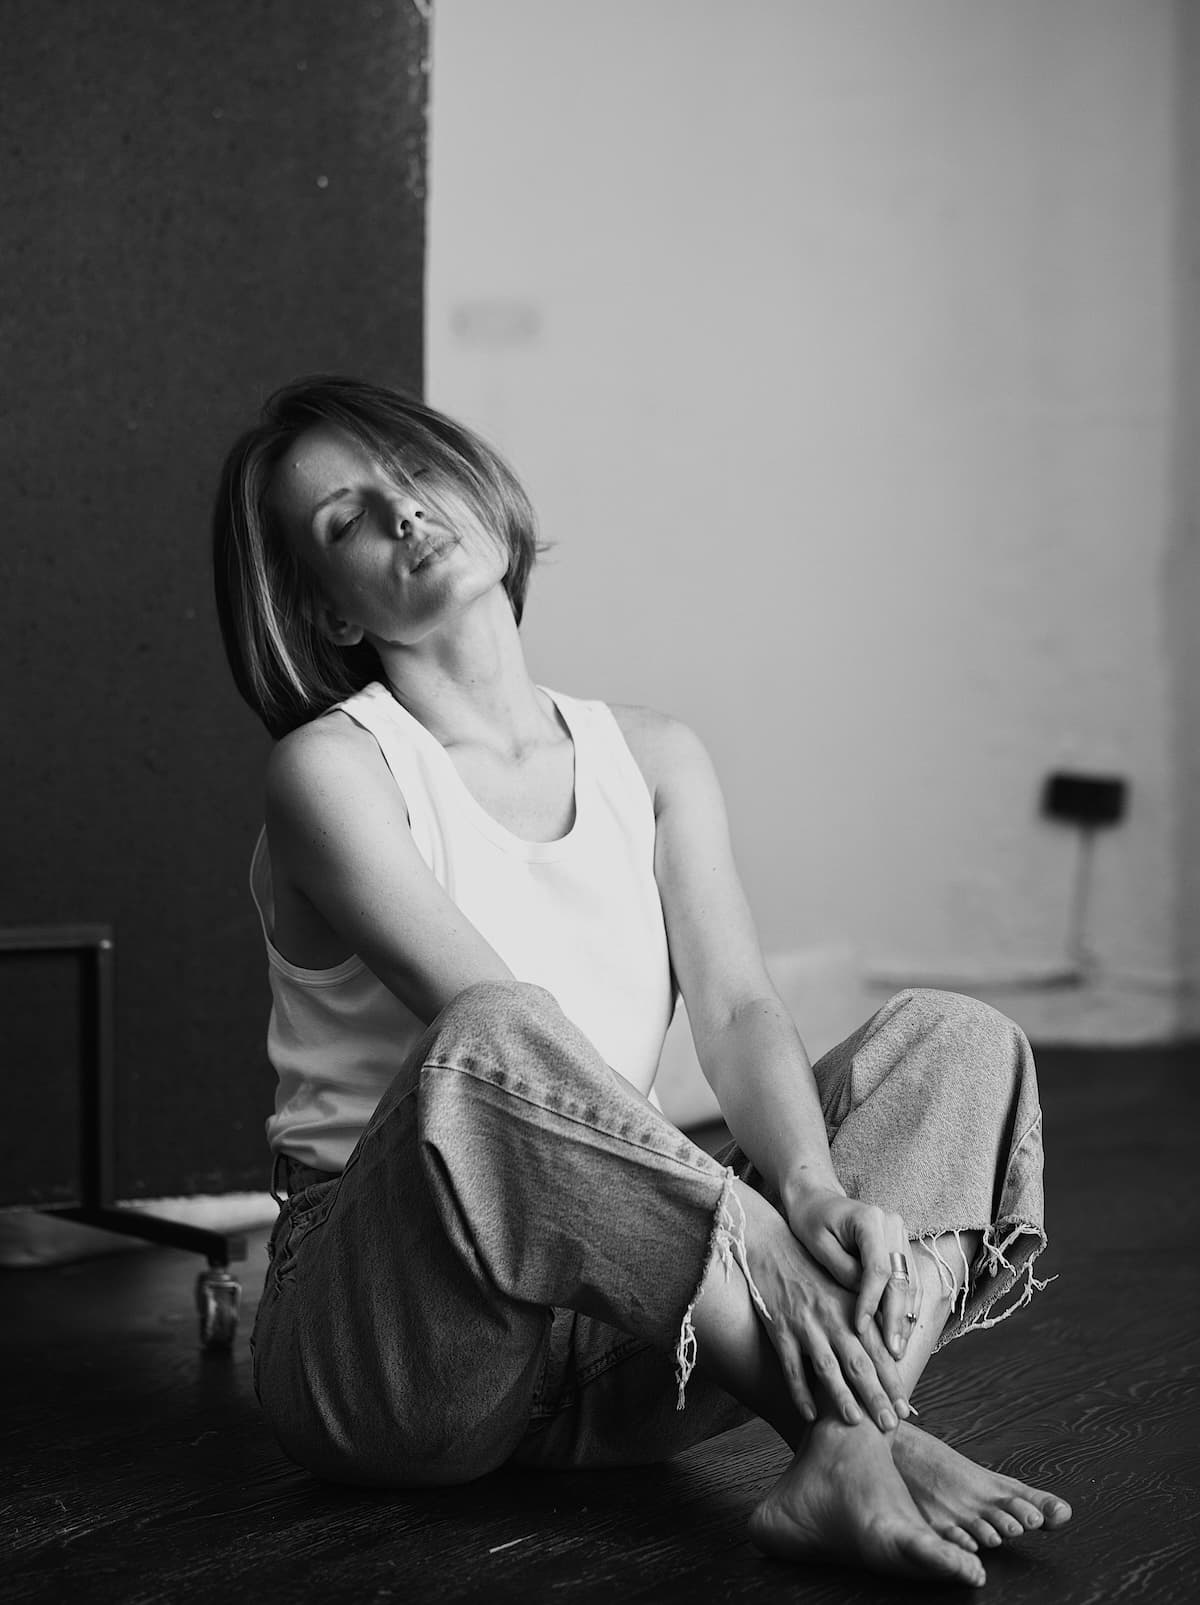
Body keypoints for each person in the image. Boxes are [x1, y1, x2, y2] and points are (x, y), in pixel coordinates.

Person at [212, 375, 1072, 1586]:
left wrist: (811, 1190)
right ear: (327, 610)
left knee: (958, 1041)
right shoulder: (333, 772)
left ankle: (844, 1451)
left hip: (638, 1337)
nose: (402, 511)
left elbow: (737, 1011)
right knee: (496, 1030)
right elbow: (500, 1054)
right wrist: (755, 1231)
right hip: (401, 1345)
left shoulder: (654, 755)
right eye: (347, 519)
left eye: (414, 472)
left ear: (480, 489)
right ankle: (867, 1435)